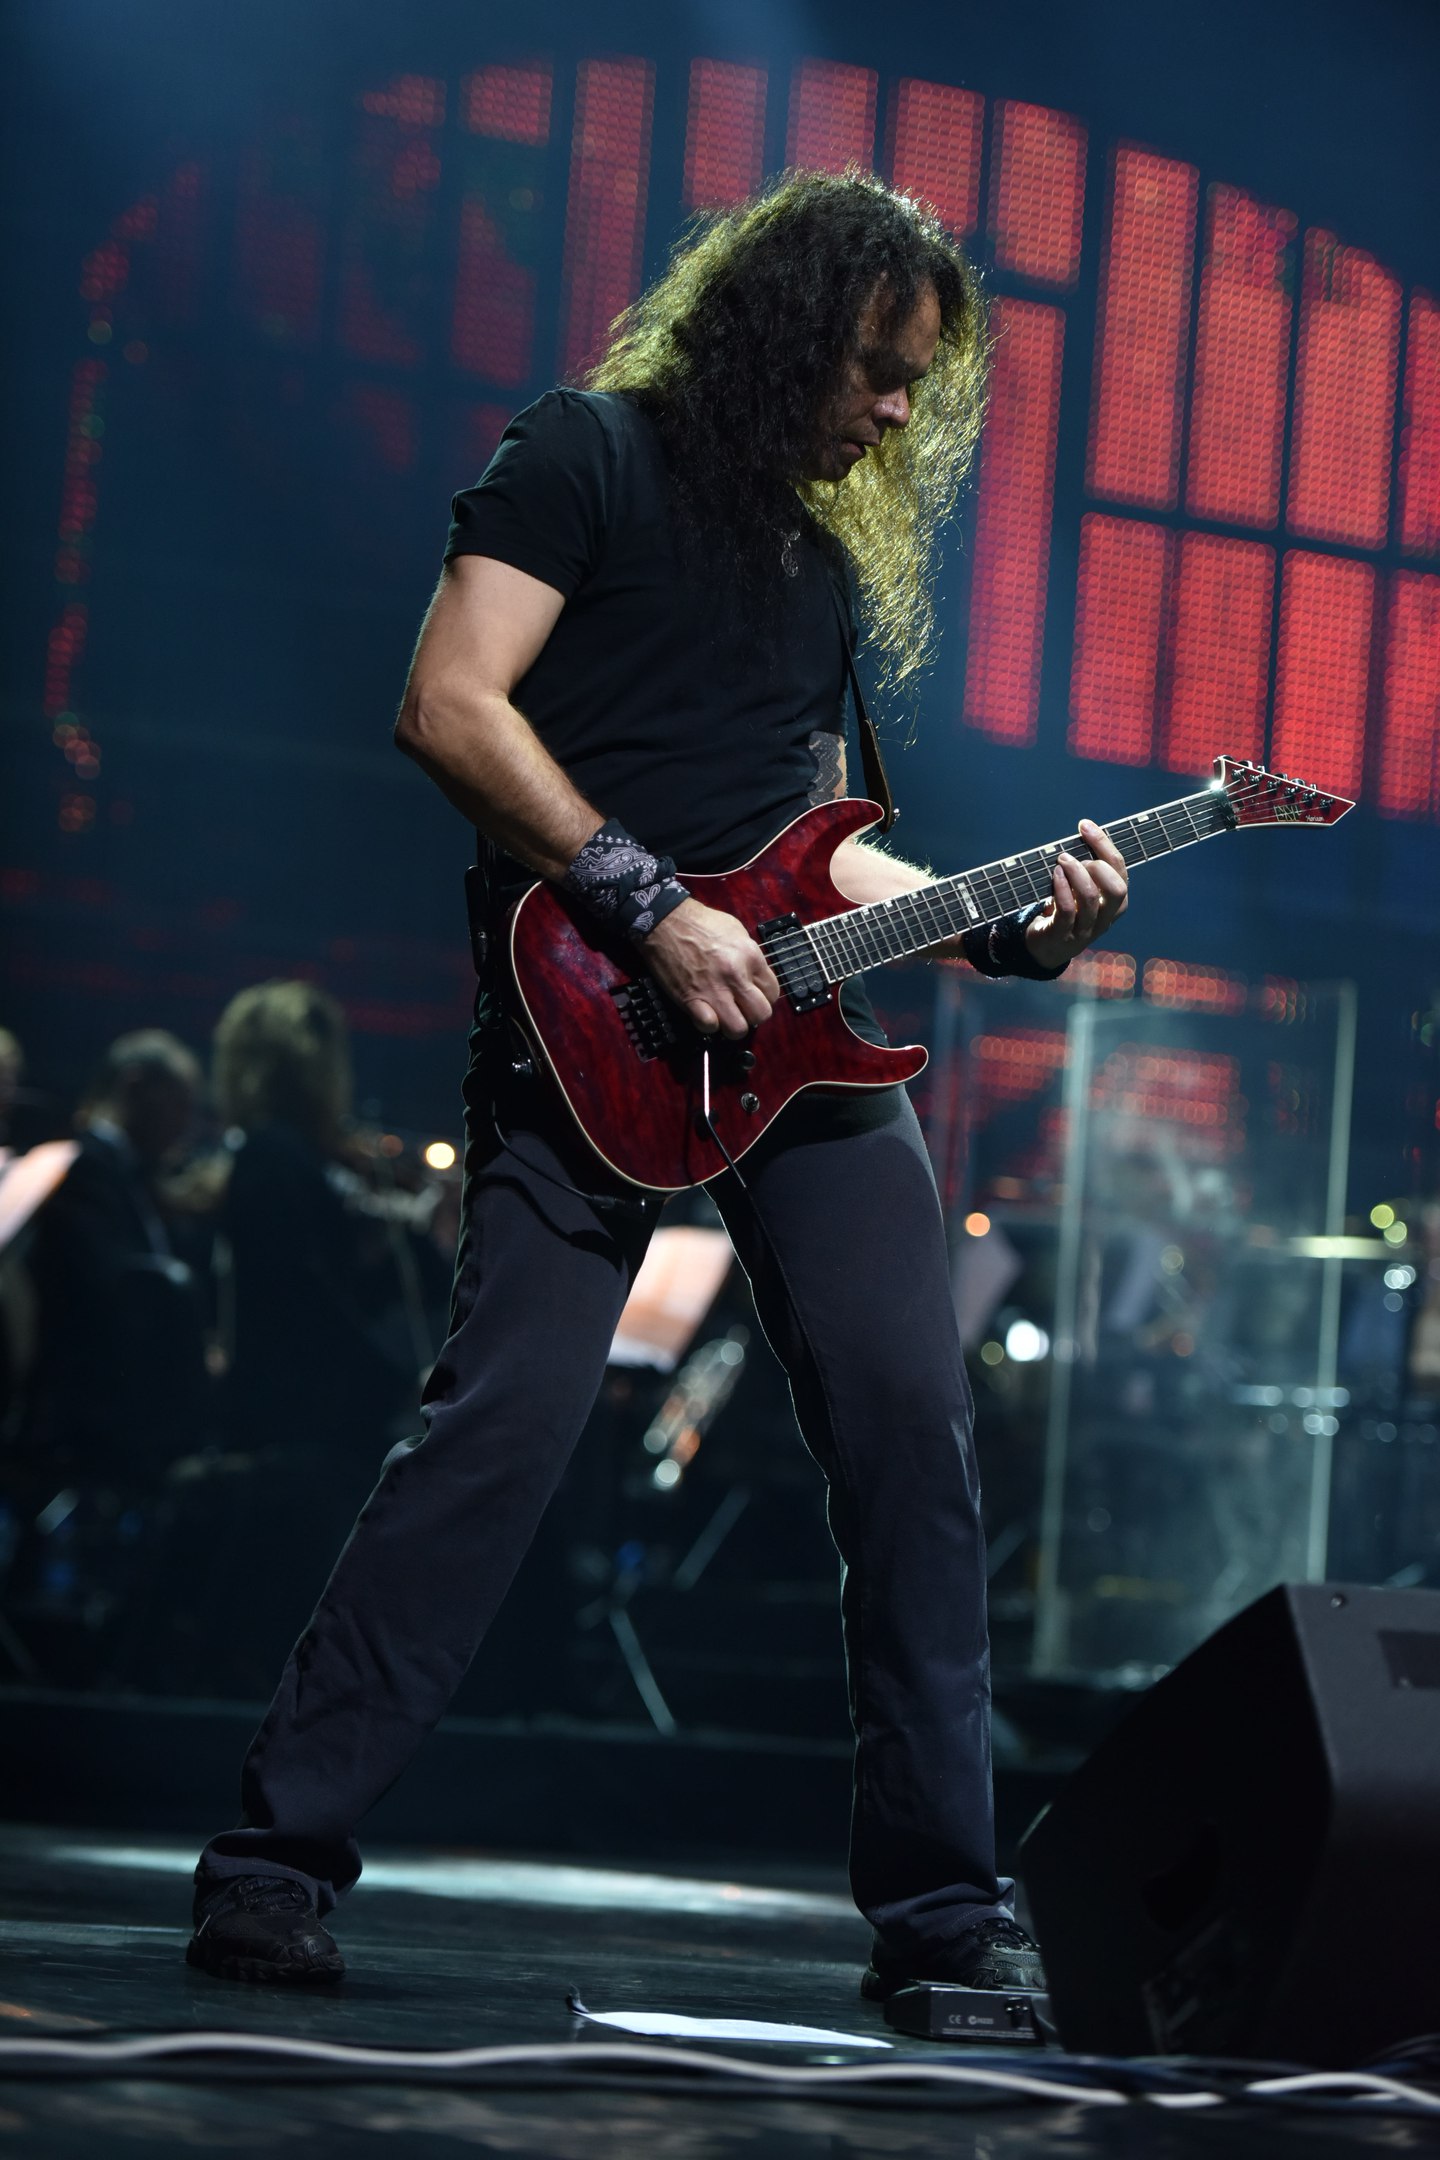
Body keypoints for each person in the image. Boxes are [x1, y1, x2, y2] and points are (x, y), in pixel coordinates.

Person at [187, 171, 1129, 1991]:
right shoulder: (581, 456)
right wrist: (649, 908)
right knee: (502, 1431)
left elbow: (822, 854)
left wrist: (1002, 926)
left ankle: (944, 1915)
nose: (898, 413)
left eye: (917, 384)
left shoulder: (818, 568)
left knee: (913, 1434)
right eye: (876, 368)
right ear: (783, 331)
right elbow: (451, 703)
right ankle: (274, 1859)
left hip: (800, 1053)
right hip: (588, 1020)